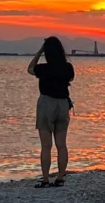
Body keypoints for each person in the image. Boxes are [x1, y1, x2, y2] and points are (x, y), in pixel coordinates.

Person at [27, 35, 74, 186]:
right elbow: (70, 79)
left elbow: (30, 69)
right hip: (63, 105)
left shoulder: (43, 69)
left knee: (46, 146)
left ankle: (46, 178)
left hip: (47, 104)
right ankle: (60, 177)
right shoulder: (68, 68)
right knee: (61, 144)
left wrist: (40, 51)